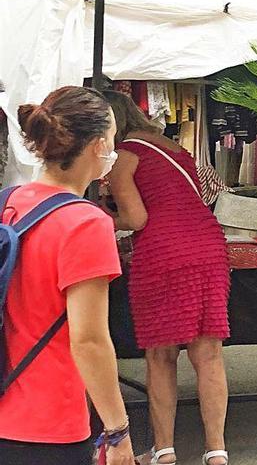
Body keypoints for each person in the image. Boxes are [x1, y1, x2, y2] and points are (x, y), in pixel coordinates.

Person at [0, 86, 134, 465]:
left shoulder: (8, 202)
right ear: (96, 146)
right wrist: (117, 430)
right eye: (112, 138)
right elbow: (89, 340)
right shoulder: (86, 223)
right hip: (48, 424)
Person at [102, 91, 230, 465]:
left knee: (161, 356)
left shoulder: (125, 155)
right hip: (208, 246)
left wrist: (98, 215)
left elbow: (136, 218)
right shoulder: (173, 147)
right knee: (208, 355)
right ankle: (217, 451)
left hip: (164, 252)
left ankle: (164, 450)